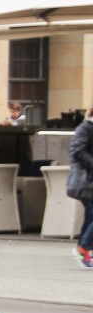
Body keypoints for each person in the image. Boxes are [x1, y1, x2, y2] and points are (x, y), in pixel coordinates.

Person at [70, 108, 93, 269]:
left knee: (90, 214)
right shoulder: (85, 128)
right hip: (86, 181)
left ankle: (82, 248)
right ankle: (83, 247)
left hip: (89, 181)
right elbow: (78, 151)